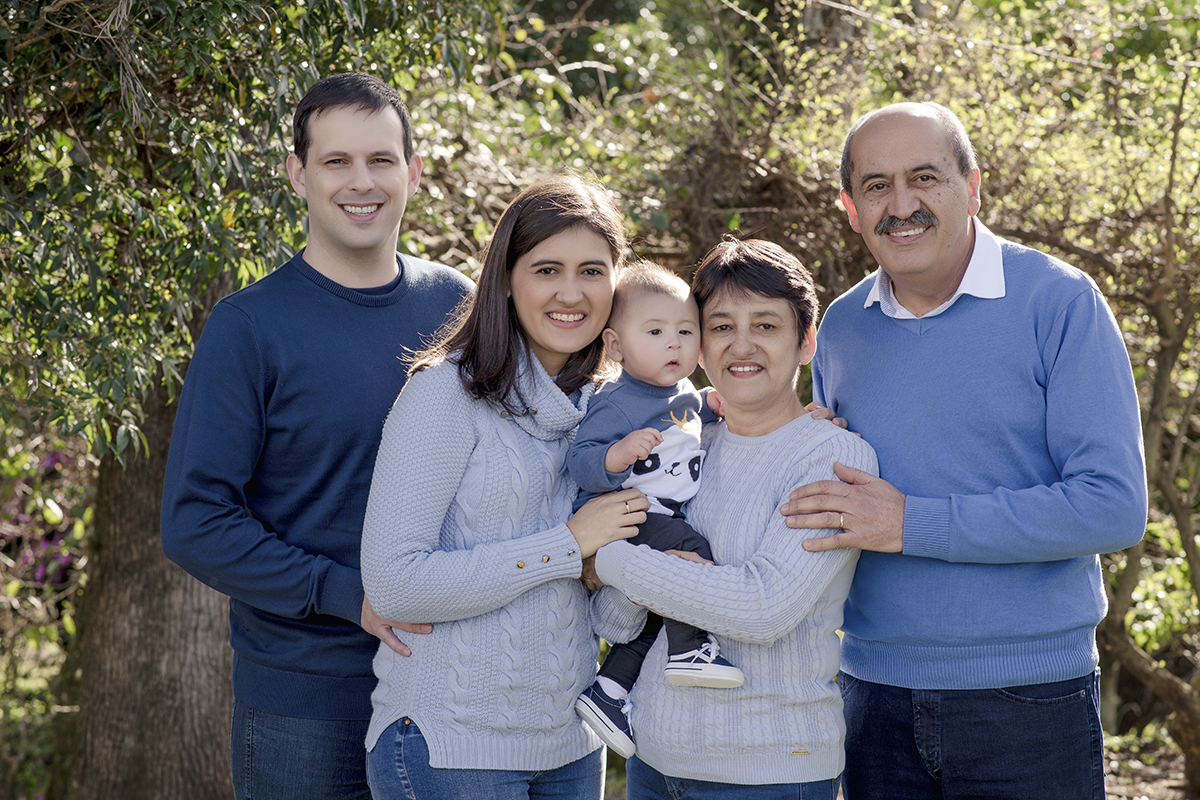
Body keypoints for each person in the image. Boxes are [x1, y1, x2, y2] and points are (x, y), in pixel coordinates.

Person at [780, 101, 1148, 799]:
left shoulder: (1060, 302)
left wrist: (911, 523)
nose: (902, 204)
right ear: (850, 207)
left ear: (972, 187)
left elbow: (1113, 508)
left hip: (1028, 699)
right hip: (871, 696)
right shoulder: (842, 328)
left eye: (925, 178)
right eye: (877, 185)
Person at [159, 73, 473, 800]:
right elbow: (193, 522)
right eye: (336, 161)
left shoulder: (459, 306)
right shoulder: (249, 327)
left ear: (413, 173)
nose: (360, 182)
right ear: (298, 174)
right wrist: (346, 594)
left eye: (381, 160)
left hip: (447, 688)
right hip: (305, 703)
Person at [359, 174, 649, 800]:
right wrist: (566, 546)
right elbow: (394, 583)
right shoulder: (444, 395)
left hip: (571, 747)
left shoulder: (614, 415)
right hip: (450, 746)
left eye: (592, 271)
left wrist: (639, 569)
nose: (570, 293)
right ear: (507, 279)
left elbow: (613, 622)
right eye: (547, 269)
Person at [587, 238, 879, 799]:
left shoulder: (831, 458)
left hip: (767, 770)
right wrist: (655, 575)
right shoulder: (683, 445)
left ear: (806, 342)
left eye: (766, 325)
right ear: (697, 343)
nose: (741, 345)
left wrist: (610, 554)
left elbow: (761, 607)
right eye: (720, 326)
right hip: (652, 762)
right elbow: (616, 622)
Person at [568, 261, 742, 760]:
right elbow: (580, 463)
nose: (675, 343)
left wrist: (712, 402)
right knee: (693, 551)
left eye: (686, 331)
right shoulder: (617, 401)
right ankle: (690, 650)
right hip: (623, 518)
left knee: (653, 612)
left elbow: (689, 415)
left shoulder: (681, 393)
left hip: (656, 516)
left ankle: (609, 691)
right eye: (657, 331)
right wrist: (615, 456)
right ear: (616, 346)